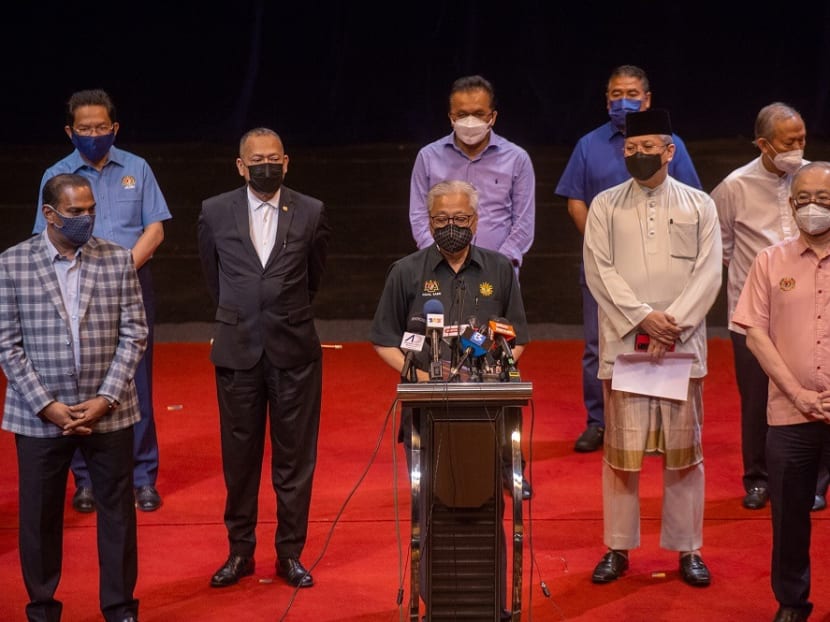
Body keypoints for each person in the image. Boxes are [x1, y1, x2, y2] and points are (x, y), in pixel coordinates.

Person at [371, 179, 529, 618]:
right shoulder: (406, 272)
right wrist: (418, 376)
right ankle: (434, 603)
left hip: (488, 416)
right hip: (427, 415)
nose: (452, 227)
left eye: (460, 219)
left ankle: (493, 604)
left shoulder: (499, 270)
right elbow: (384, 339)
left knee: (488, 506)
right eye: (442, 220)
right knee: (430, 508)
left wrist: (493, 374)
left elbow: (518, 337)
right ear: (429, 221)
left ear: (476, 222)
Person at [583, 109, 722, 587]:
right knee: (621, 456)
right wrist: (644, 317)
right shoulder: (603, 205)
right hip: (626, 347)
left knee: (685, 456)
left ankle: (688, 550)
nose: (638, 156)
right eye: (630, 149)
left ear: (670, 151)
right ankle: (617, 548)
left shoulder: (700, 205)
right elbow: (599, 271)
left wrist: (673, 323)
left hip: (680, 350)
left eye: (647, 148)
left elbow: (709, 273)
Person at [0, 174, 148, 622]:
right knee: (40, 520)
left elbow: (135, 332)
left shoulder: (117, 260)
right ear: (49, 214)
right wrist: (47, 405)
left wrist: (106, 397)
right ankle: (42, 607)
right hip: (40, 416)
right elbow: (7, 344)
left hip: (108, 412)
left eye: (91, 211)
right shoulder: (12, 263)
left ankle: (120, 607)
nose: (87, 218)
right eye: (76, 212)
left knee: (118, 514)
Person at [197, 127, 331, 589]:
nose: (266, 165)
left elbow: (314, 277)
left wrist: (281, 311)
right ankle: (240, 552)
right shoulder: (214, 212)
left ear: (287, 161)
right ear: (241, 165)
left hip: (294, 350)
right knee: (239, 459)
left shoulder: (311, 211)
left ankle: (290, 553)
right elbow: (212, 278)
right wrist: (243, 313)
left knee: (295, 459)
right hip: (238, 351)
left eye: (274, 158)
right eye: (257, 159)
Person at [33, 88, 171, 514]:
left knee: (136, 378)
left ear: (114, 128)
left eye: (101, 128)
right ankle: (86, 480)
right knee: (79, 378)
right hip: (74, 285)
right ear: (70, 131)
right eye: (85, 128)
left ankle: (143, 476)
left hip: (131, 280)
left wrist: (119, 268)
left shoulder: (137, 168)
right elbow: (44, 235)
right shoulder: (55, 176)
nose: (93, 134)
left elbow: (156, 229)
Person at [555, 64, 702, 453]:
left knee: (662, 339)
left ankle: (662, 424)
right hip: (604, 267)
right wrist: (603, 250)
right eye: (616, 94)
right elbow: (575, 203)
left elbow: (691, 201)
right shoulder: (588, 145)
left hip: (660, 266)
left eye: (632, 93)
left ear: (648, 98)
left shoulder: (674, 145)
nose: (624, 100)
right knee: (597, 346)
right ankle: (600, 422)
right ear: (606, 100)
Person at [408, 74, 535, 498]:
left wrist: (493, 267)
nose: (469, 121)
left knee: (495, 366)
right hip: (439, 279)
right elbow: (418, 218)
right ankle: (434, 460)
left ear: (492, 115)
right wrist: (445, 261)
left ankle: (505, 463)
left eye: (478, 114)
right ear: (450, 115)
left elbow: (523, 224)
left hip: (495, 283)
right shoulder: (428, 157)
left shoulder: (517, 159)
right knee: (442, 362)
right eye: (461, 114)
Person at [711, 102, 830, 512]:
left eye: (801, 139)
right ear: (763, 144)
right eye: (788, 142)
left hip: (813, 309)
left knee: (820, 391)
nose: (798, 147)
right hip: (755, 315)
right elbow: (721, 248)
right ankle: (758, 479)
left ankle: (817, 481)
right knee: (758, 398)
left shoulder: (817, 177)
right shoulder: (733, 187)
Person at [731, 161, 830, 622]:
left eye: (823, 200)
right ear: (792, 206)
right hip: (791, 414)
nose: (813, 208)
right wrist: (797, 393)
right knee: (789, 518)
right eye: (804, 199)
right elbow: (754, 333)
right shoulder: (770, 260)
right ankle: (792, 602)